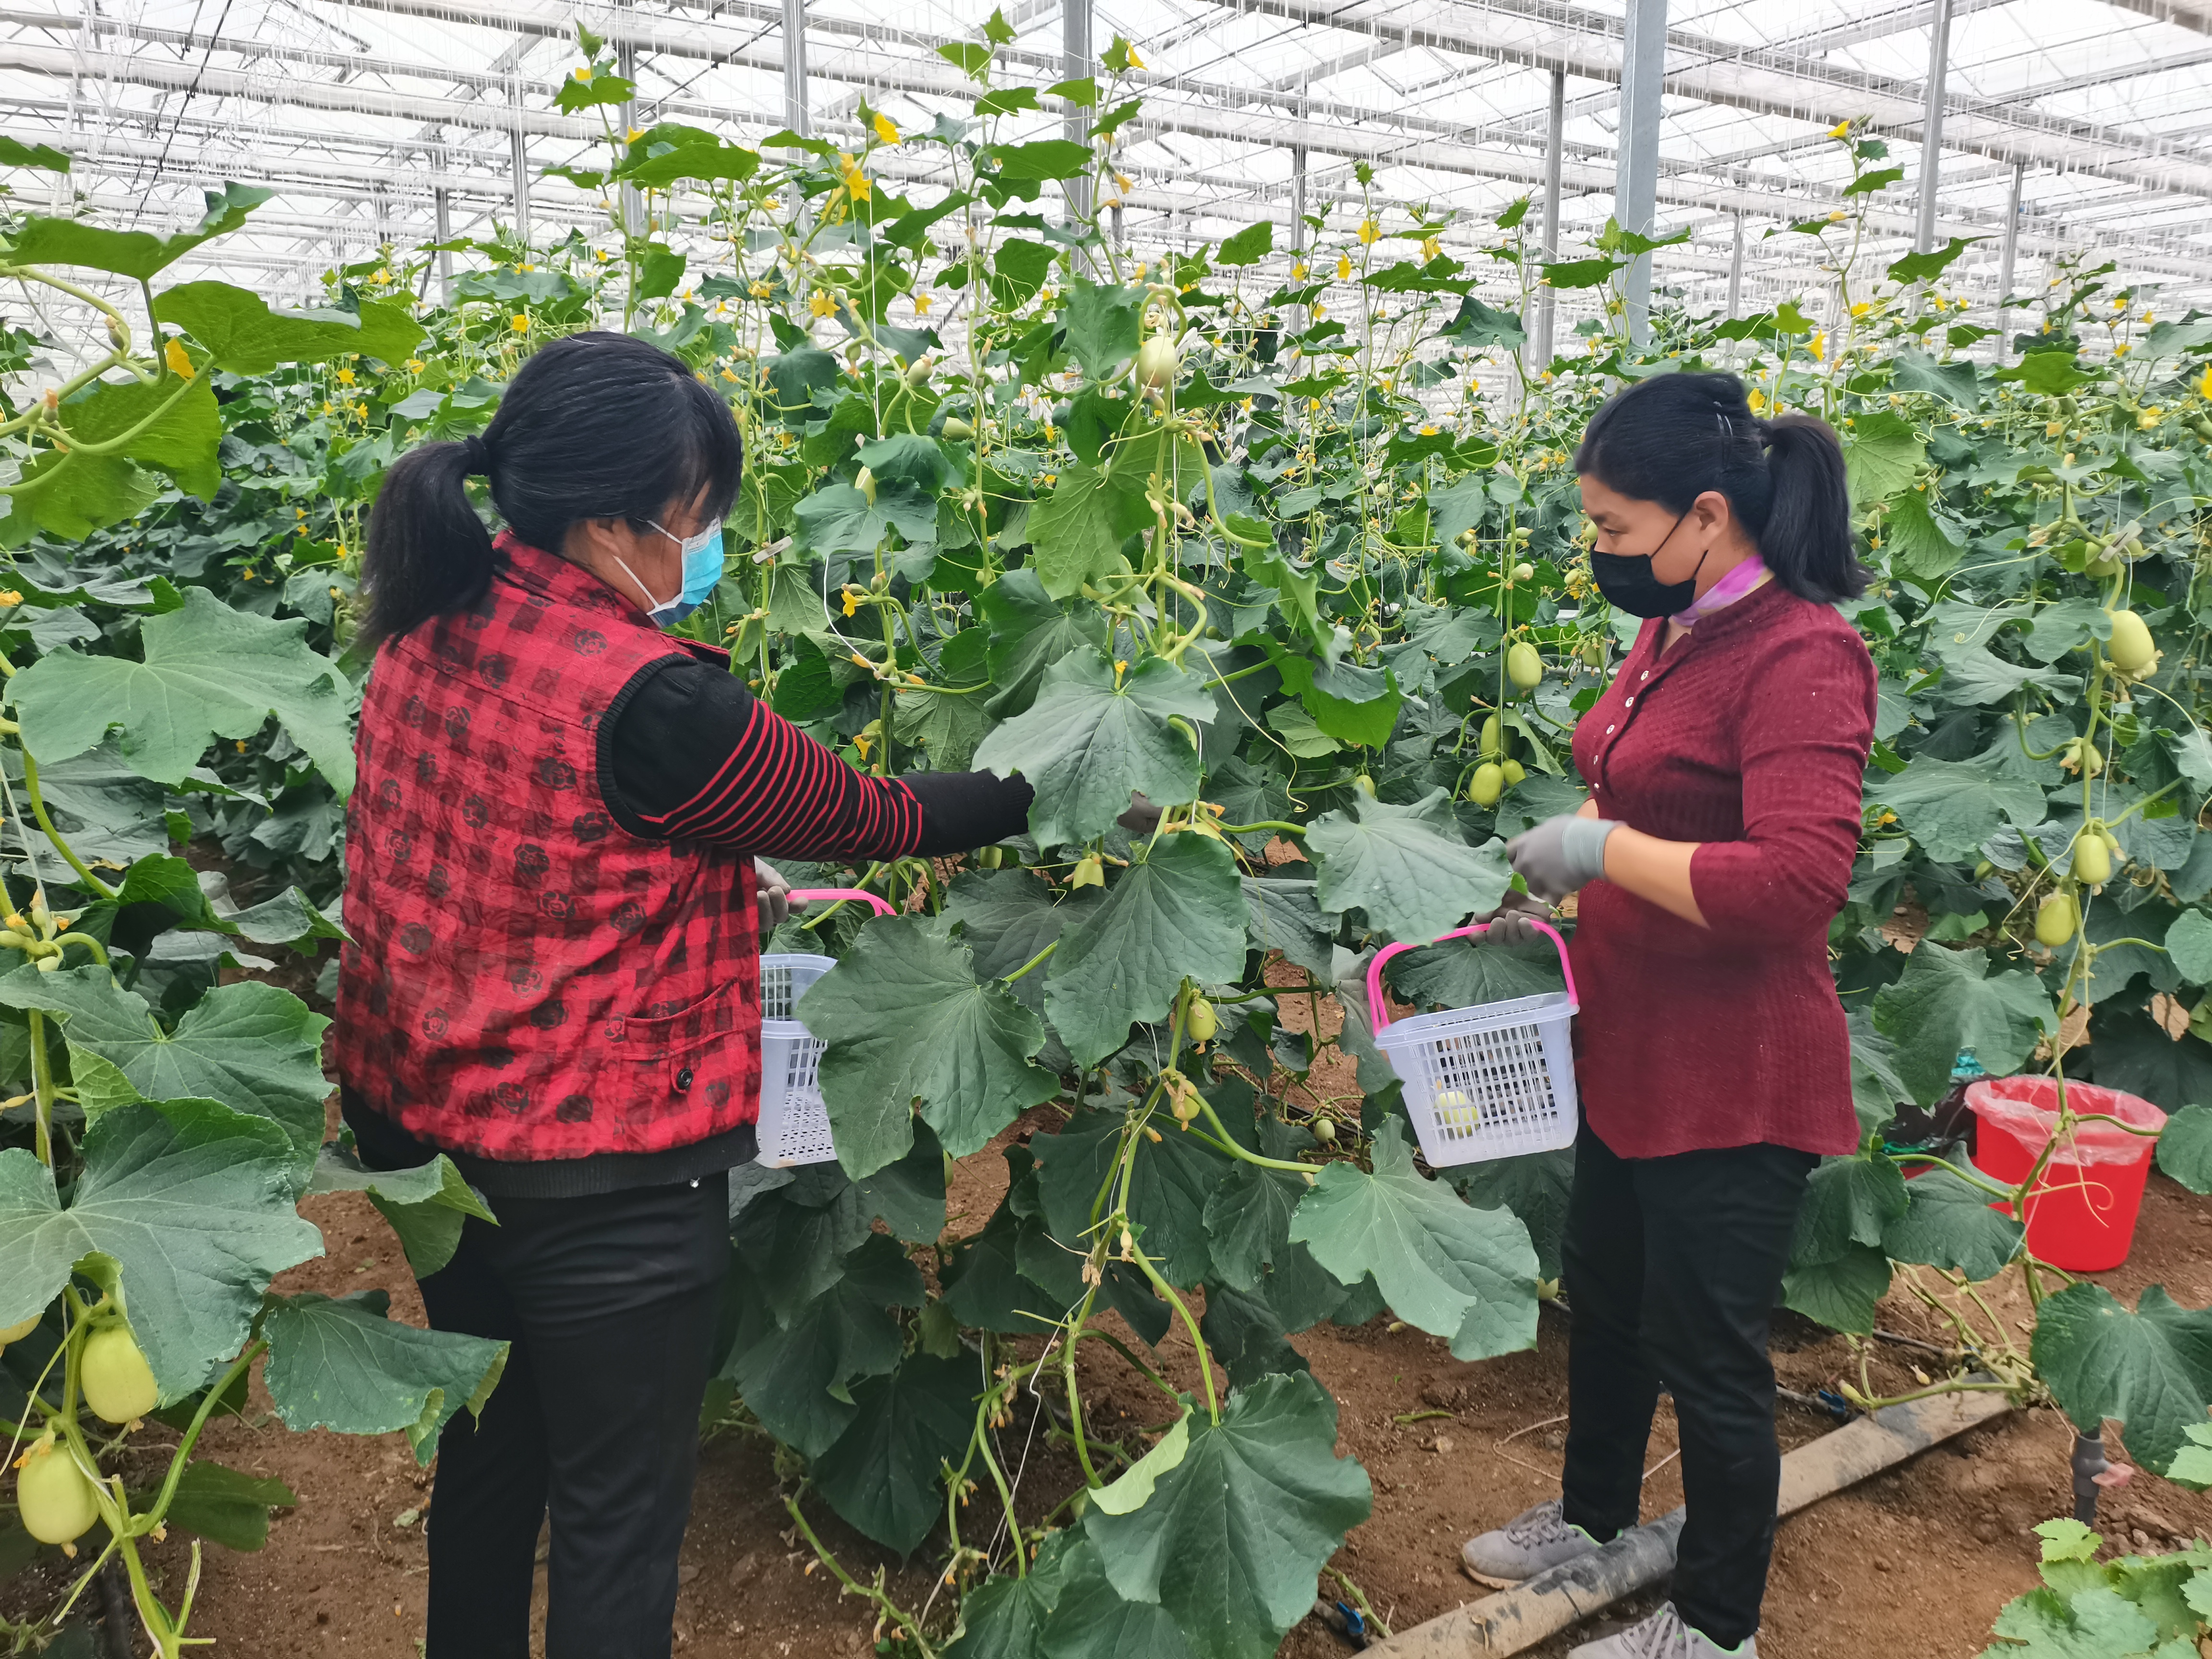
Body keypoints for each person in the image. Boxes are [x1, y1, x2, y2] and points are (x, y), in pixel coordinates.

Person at [333, 331, 1038, 1659]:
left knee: (493, 1444)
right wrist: (1041, 777)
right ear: (609, 522)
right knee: (617, 1515)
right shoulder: (656, 705)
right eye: (696, 517)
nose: (705, 544)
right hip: (595, 1176)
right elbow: (865, 815)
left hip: (423, 1137)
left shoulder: (434, 605)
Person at [1457, 372, 1875, 1659]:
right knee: (1609, 1300)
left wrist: (1603, 851)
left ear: (1705, 516)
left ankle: (1714, 1628)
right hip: (1630, 1043)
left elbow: (1799, 882)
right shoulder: (1682, 626)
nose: (1602, 551)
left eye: (1615, 528)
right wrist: (1566, 869)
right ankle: (1592, 1518)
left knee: (1710, 1356)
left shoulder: (1806, 654)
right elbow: (1642, 789)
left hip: (1735, 1076)